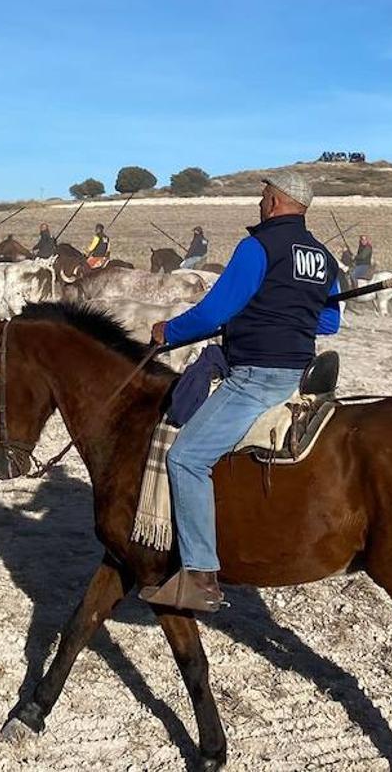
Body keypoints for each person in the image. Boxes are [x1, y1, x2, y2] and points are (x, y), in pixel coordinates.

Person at [143, 170, 340, 612]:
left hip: (256, 376)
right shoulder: (324, 258)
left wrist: (168, 331)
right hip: (299, 372)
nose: (259, 201)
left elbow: (215, 311)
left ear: (275, 201)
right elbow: (329, 322)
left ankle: (198, 575)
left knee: (186, 458)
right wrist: (289, 305)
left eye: (263, 194)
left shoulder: (258, 247)